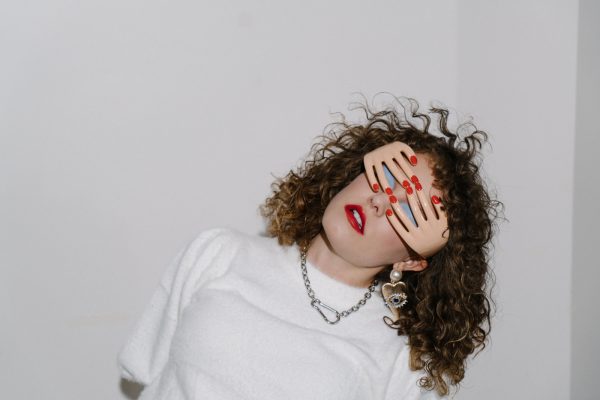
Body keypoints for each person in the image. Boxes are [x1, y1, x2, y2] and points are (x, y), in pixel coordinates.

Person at [117, 96, 499, 399]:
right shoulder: (219, 254)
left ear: (413, 260)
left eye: (409, 211)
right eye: (385, 175)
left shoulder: (401, 358)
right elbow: (144, 368)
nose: (380, 201)